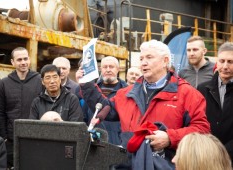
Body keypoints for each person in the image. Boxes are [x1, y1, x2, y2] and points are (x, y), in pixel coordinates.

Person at [77, 40, 210, 166]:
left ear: (165, 61)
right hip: (128, 165)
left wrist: (170, 138)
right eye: (141, 59)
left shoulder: (188, 94)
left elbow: (202, 131)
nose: (143, 63)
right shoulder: (126, 93)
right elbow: (105, 109)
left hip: (167, 164)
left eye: (149, 58)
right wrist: (87, 84)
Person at [0, 47, 42, 168]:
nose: (23, 62)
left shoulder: (39, 80)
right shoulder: (4, 83)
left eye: (25, 59)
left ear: (29, 60)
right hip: (11, 139)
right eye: (19, 59)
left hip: (36, 136)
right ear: (12, 62)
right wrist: (4, 137)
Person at [77, 56, 127, 145]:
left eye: (111, 67)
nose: (108, 70)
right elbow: (84, 116)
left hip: (117, 143)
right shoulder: (91, 90)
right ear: (101, 69)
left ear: (118, 69)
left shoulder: (126, 91)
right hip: (94, 142)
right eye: (105, 67)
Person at [197, 42, 233, 162]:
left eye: (230, 62)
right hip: (207, 157)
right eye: (222, 61)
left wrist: (223, 152)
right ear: (216, 62)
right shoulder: (202, 89)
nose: (225, 66)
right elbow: (196, 122)